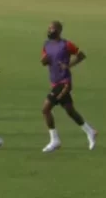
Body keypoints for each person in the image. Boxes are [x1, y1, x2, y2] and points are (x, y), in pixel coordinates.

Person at [40, 20, 97, 153]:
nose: (49, 31)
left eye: (52, 28)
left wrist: (69, 65)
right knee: (70, 110)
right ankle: (90, 131)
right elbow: (44, 60)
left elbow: (81, 55)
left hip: (64, 83)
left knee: (45, 109)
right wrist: (44, 61)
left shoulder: (66, 44)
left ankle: (54, 140)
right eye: (48, 28)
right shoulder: (46, 44)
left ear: (59, 30)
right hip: (54, 81)